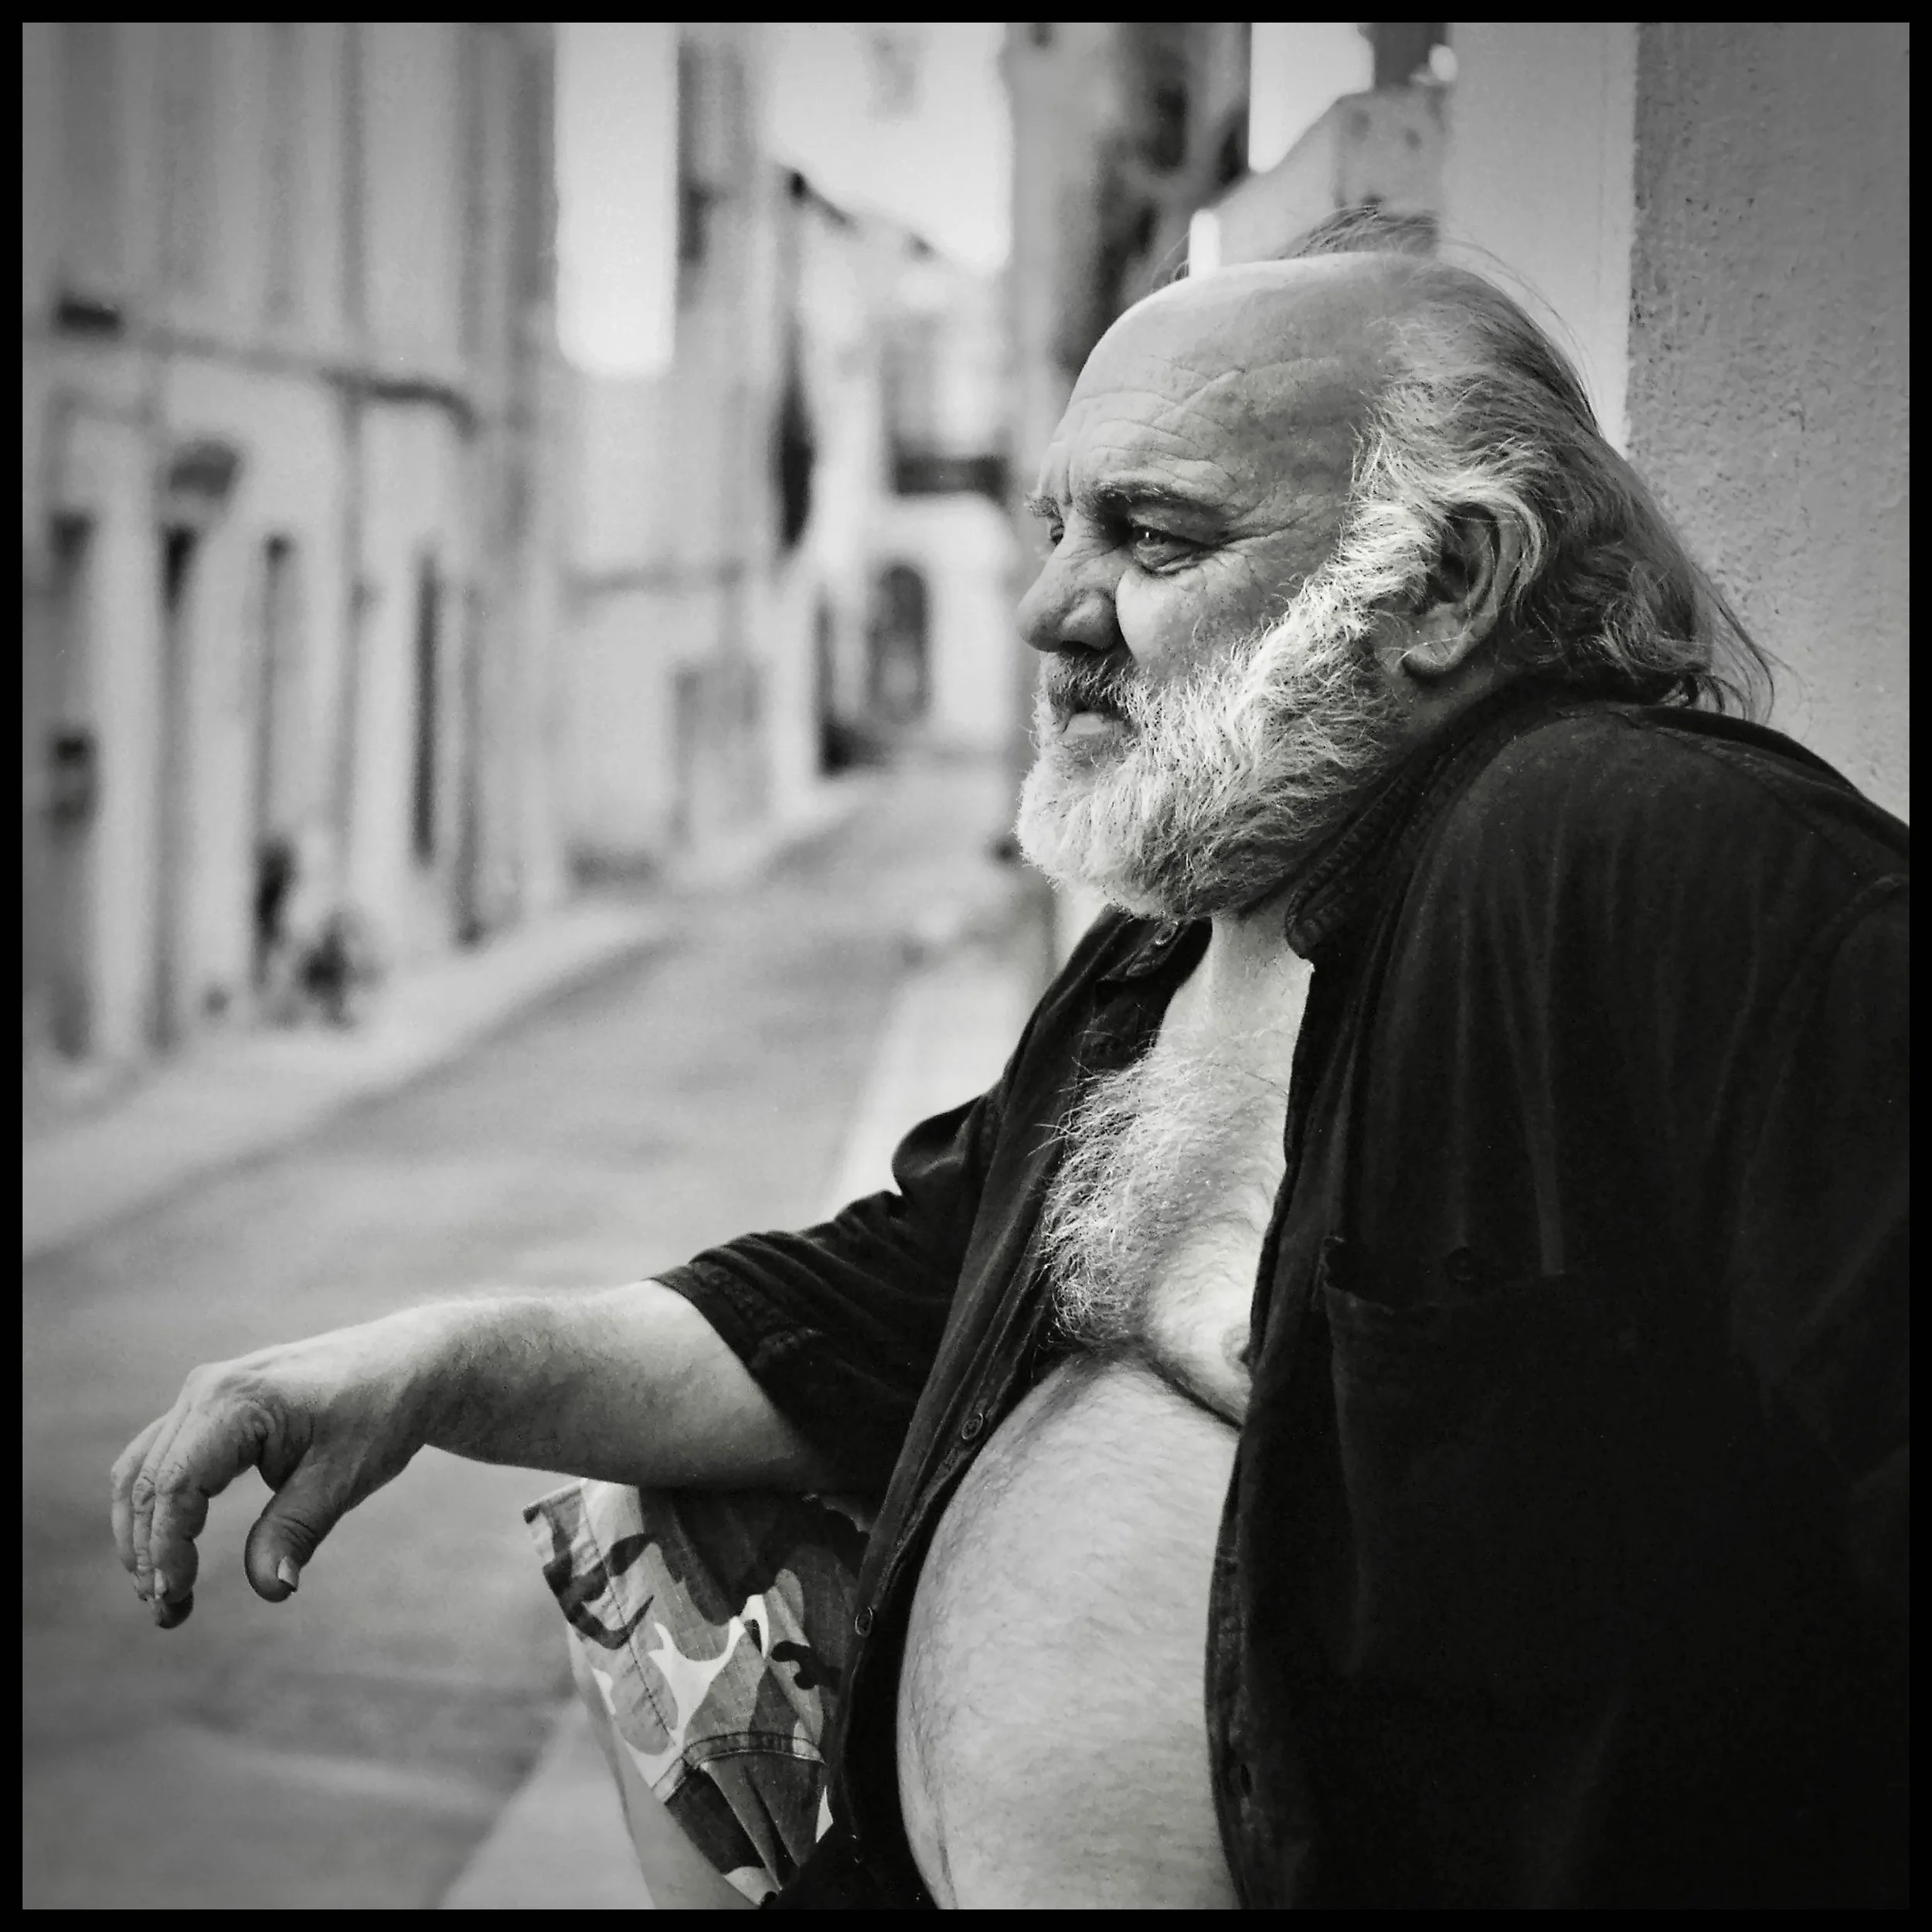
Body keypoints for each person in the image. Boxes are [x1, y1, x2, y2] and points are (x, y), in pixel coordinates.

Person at [111, 217, 1907, 1908]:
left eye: (1151, 537)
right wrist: (428, 1362)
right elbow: (872, 1308)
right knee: (647, 1504)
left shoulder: (1640, 850)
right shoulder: (1179, 933)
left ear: (1442, 582)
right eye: (1054, 528)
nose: (1052, 607)